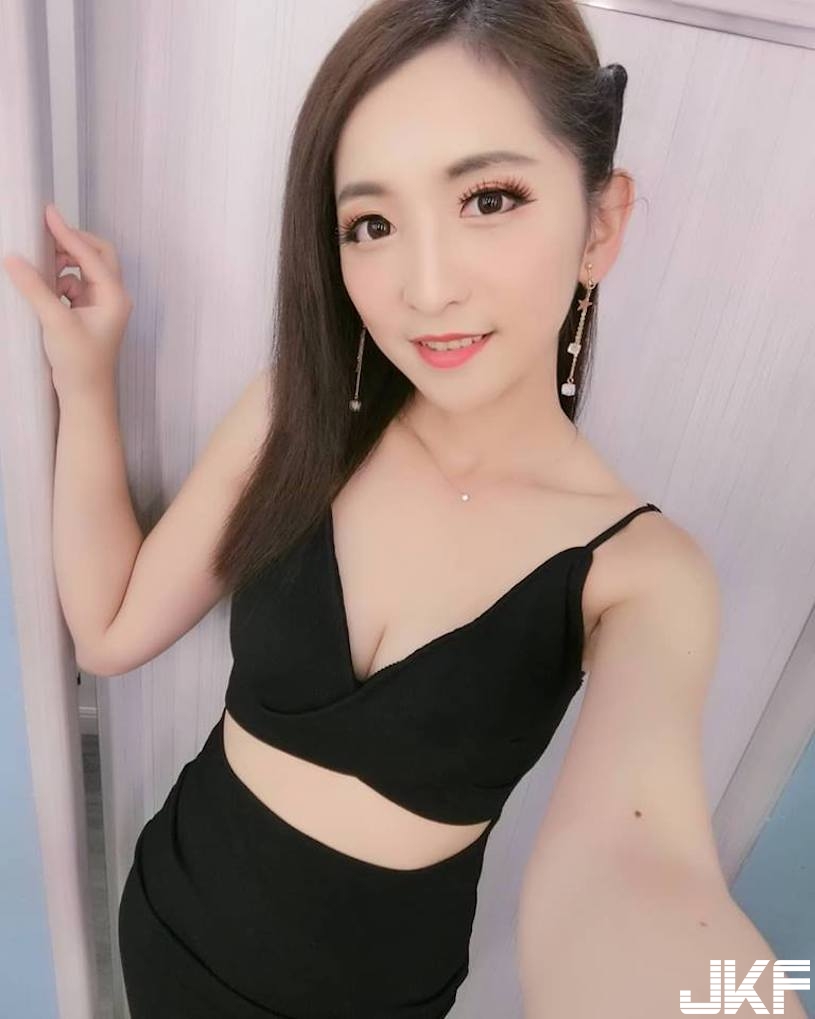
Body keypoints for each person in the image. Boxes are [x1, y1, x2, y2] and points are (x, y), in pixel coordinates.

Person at [3, 1, 805, 1017]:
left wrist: (740, 999)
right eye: (371, 224)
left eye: (489, 199)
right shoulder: (296, 417)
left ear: (599, 223)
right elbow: (111, 628)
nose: (425, 288)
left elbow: (632, 871)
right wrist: (85, 381)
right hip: (165, 921)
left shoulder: (643, 575)